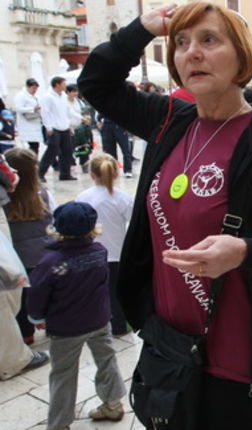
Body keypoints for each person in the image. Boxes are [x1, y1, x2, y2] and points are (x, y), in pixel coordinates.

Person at [78, 2, 252, 428]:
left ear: (241, 56)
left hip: (233, 356)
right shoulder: (169, 120)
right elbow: (96, 83)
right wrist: (143, 29)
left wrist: (244, 251)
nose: (192, 52)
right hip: (166, 343)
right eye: (181, 42)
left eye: (209, 40)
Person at [27, 201, 127, 430]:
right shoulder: (100, 252)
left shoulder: (51, 263)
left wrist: (36, 317)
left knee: (63, 373)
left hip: (66, 328)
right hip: (99, 320)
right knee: (107, 359)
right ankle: (113, 404)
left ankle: (60, 423)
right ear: (93, 228)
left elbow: (37, 293)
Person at [76, 153, 133, 336]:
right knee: (116, 292)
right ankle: (119, 327)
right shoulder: (123, 198)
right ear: (116, 173)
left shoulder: (83, 197)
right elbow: (134, 222)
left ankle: (95, 324)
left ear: (91, 174)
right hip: (116, 253)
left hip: (89, 253)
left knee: (94, 290)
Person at [4, 147, 56, 345]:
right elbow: (56, 219)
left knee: (22, 298)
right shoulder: (42, 195)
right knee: (47, 294)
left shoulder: (5, 201)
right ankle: (51, 324)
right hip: (44, 256)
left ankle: (26, 334)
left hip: (18, 259)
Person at [38, 76, 75, 181]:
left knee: (67, 151)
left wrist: (78, 119)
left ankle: (65, 174)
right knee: (52, 151)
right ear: (57, 84)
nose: (65, 86)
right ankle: (40, 173)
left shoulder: (63, 96)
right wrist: (48, 127)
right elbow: (44, 113)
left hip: (64, 127)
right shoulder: (48, 97)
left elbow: (68, 111)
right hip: (54, 128)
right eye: (63, 83)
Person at [97, 112, 134, 178]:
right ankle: (112, 169)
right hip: (108, 125)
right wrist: (99, 121)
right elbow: (100, 114)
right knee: (110, 151)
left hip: (120, 125)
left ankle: (128, 170)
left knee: (126, 150)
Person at [13, 79, 43, 156]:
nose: (35, 90)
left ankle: (33, 159)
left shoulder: (35, 96)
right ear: (28, 87)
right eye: (33, 88)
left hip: (35, 122)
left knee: (36, 145)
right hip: (27, 124)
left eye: (36, 88)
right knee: (33, 145)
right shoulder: (21, 96)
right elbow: (17, 108)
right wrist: (32, 108)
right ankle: (31, 160)